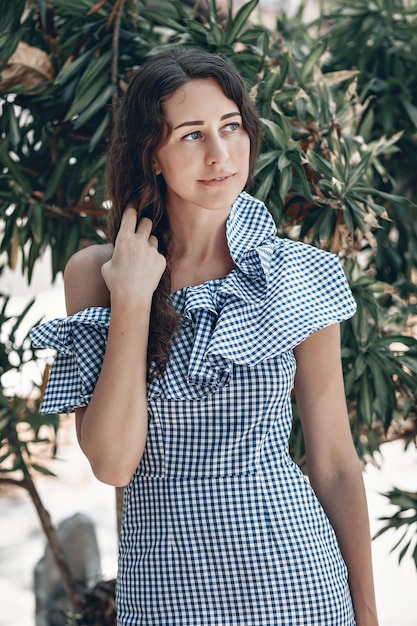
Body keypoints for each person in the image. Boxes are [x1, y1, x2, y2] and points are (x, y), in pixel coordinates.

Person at [31, 48, 379, 626]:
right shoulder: (97, 274)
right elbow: (113, 464)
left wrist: (367, 615)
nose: (220, 155)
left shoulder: (298, 274)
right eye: (192, 135)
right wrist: (134, 300)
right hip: (165, 591)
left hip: (297, 584)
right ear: (153, 154)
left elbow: (336, 464)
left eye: (231, 127)